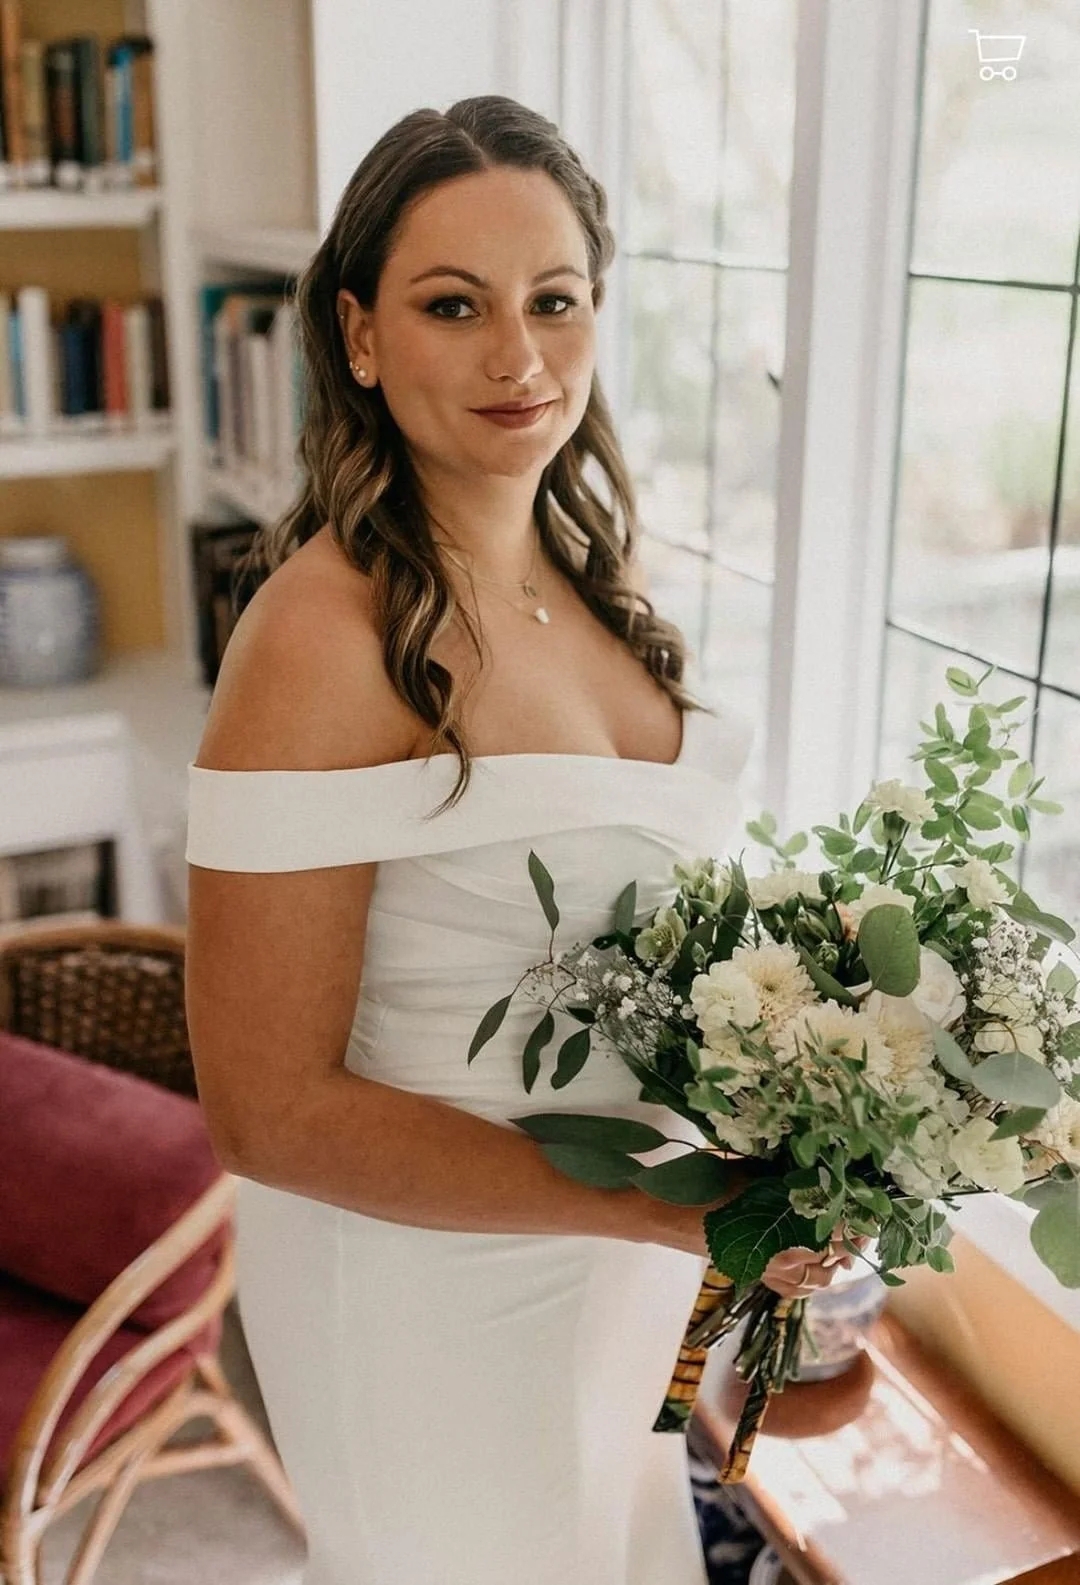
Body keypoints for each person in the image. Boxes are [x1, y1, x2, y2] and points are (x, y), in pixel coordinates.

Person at [184, 95, 851, 1585]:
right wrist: (662, 1211)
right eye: (452, 306)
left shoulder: (593, 579)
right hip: (425, 1285)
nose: (519, 358)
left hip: (609, 1275)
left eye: (554, 300)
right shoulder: (321, 632)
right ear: (358, 336)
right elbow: (268, 1112)